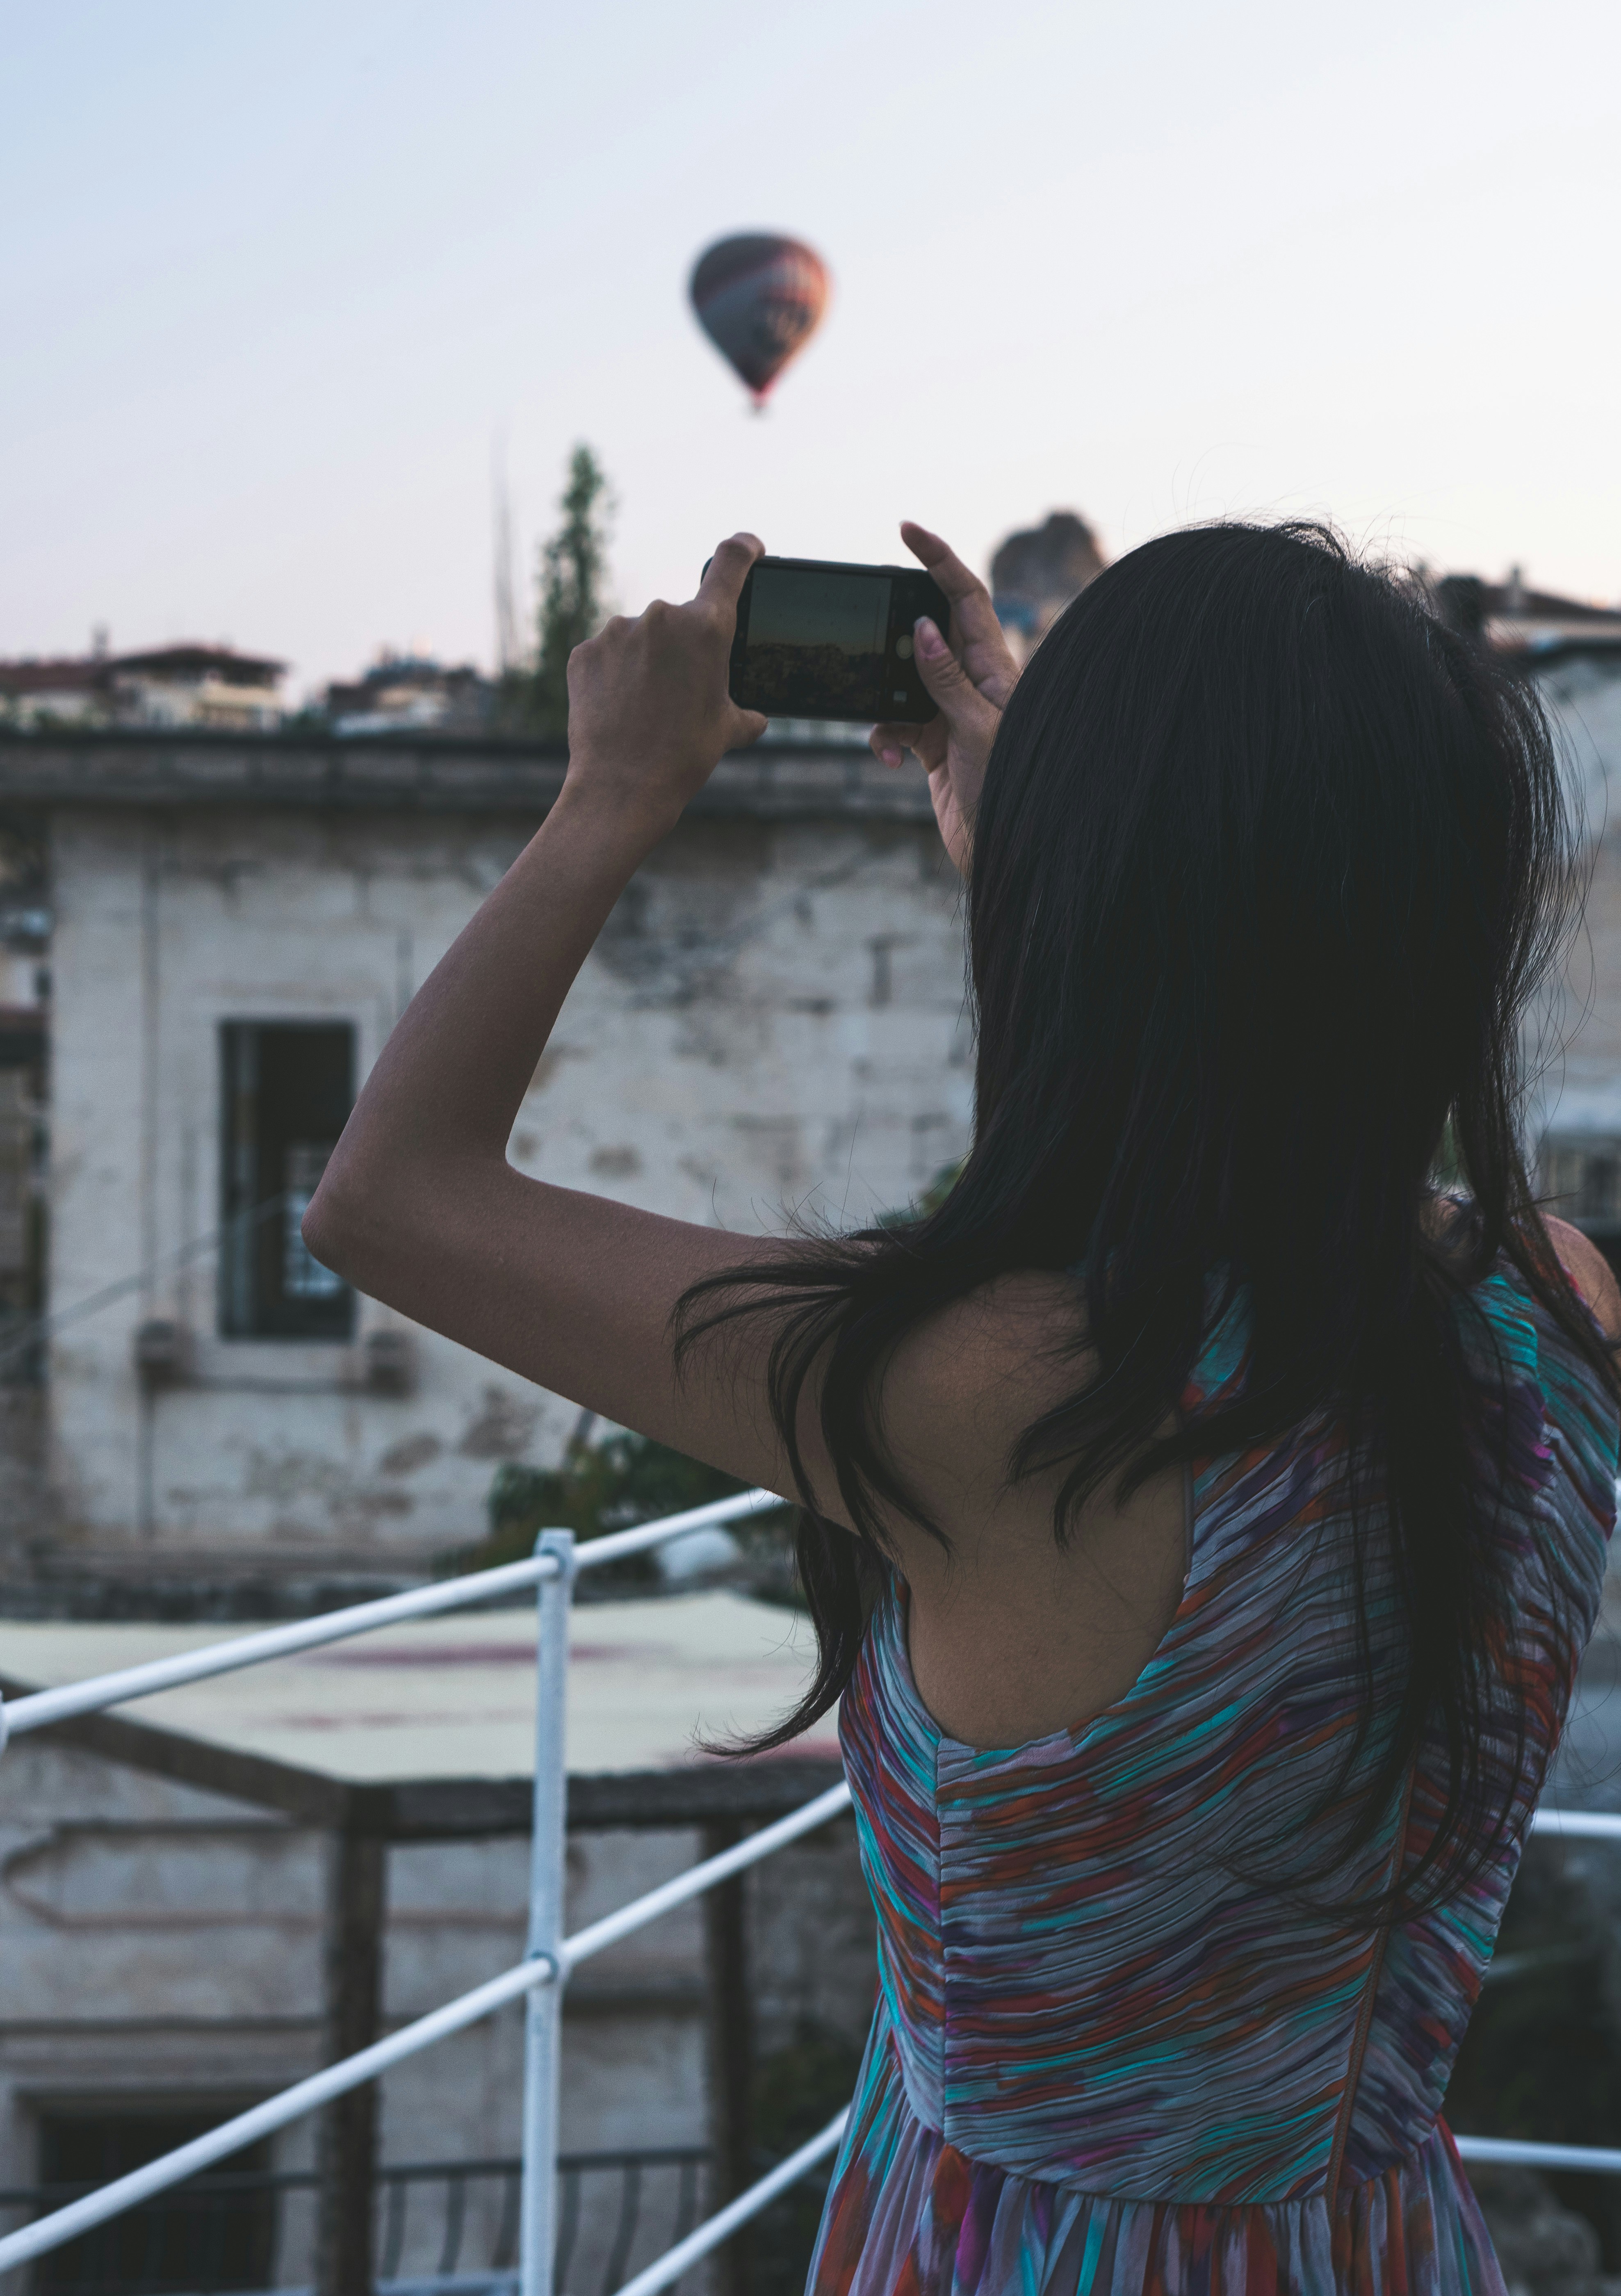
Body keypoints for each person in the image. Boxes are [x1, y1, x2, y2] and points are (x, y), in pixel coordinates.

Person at [303, 520, 1621, 2296]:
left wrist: (613, 792)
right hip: (1381, 2238)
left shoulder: (982, 1397)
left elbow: (390, 1193)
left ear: (1094, 899)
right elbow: (1248, 1053)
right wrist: (1059, 849)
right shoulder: (1553, 1306)